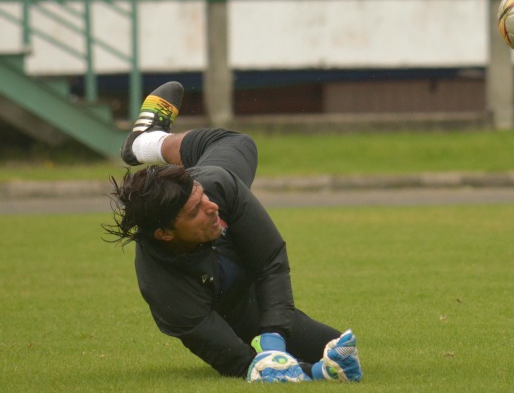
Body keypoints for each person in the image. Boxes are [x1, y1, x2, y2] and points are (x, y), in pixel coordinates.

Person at [103, 81, 363, 383]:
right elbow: (238, 363)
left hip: (215, 177)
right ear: (165, 234)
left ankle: (144, 142)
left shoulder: (216, 187)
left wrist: (274, 340)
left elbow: (270, 261)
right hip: (234, 306)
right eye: (195, 211)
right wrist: (313, 372)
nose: (212, 208)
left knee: (238, 142)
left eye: (201, 197)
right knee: (325, 348)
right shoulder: (165, 291)